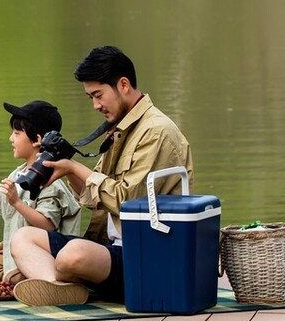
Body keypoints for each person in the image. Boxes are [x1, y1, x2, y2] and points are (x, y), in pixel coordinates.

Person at [10, 46, 193, 306]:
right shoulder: (122, 127)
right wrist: (64, 168)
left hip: (145, 256)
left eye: (98, 95)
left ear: (124, 84)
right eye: (90, 98)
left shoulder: (156, 132)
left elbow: (128, 202)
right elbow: (94, 198)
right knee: (23, 238)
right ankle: (59, 286)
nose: (96, 105)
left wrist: (74, 169)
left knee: (72, 255)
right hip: (110, 250)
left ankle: (58, 279)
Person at [0, 100, 83, 283]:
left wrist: (16, 203)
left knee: (9, 277)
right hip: (16, 251)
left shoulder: (51, 180)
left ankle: (40, 278)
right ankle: (17, 274)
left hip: (43, 253)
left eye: (17, 133)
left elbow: (48, 225)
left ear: (37, 140)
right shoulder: (19, 173)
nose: (11, 138)